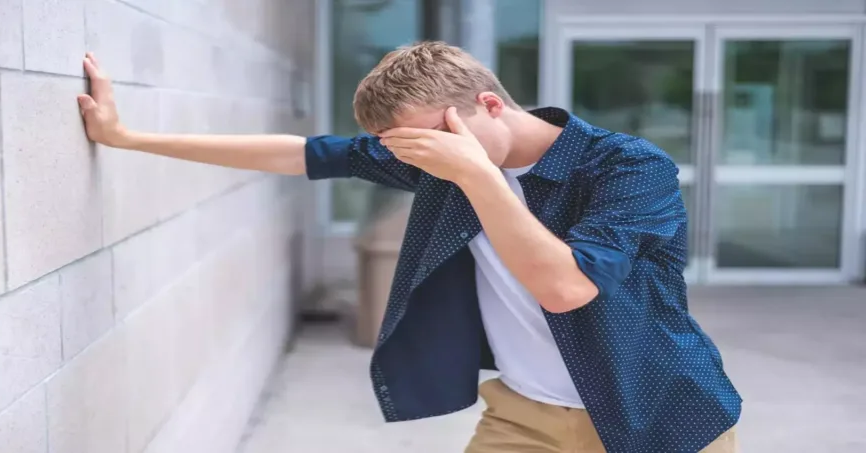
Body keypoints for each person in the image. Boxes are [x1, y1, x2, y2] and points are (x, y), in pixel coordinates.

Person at [76, 42, 741, 453]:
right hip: (526, 417)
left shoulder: (627, 168)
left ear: (488, 103)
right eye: (415, 150)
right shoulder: (439, 158)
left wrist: (478, 175)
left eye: (436, 141)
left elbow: (565, 287)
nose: (430, 160)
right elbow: (301, 154)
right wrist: (126, 138)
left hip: (659, 415)